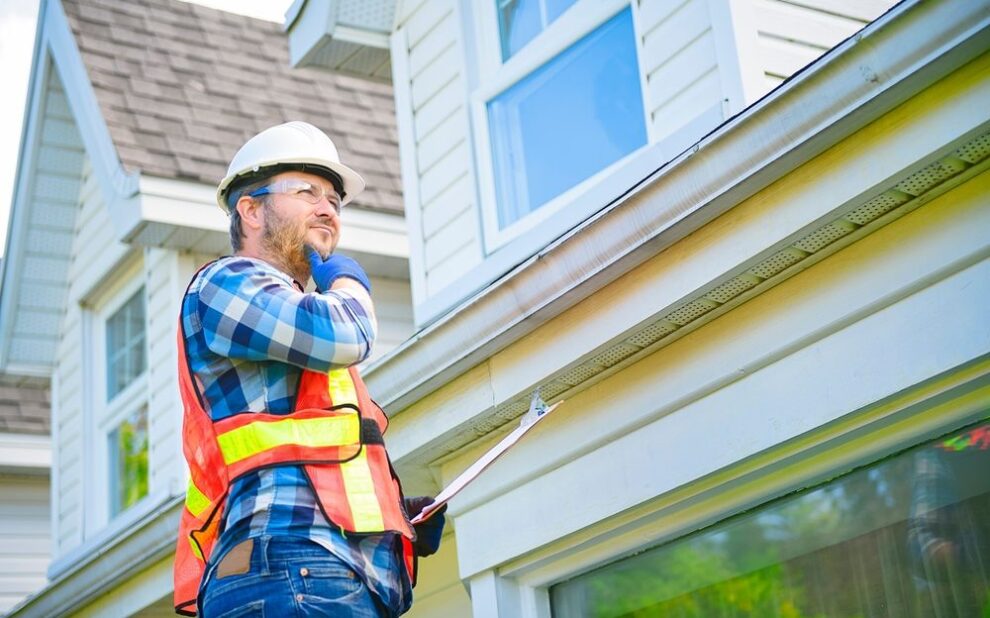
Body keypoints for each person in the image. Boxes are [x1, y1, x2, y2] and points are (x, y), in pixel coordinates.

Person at [172, 121, 445, 617]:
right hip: (292, 566)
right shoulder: (225, 283)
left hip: (321, 572)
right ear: (250, 210)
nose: (328, 209)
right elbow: (347, 333)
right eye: (307, 192)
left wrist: (394, 520)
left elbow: (309, 453)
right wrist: (346, 279)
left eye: (334, 201)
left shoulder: (295, 324)